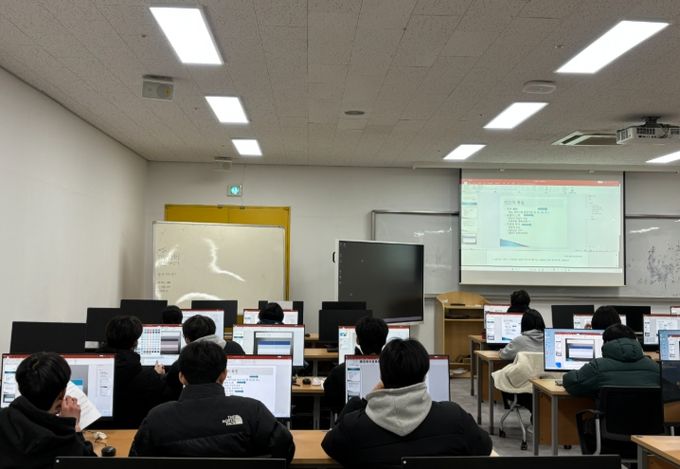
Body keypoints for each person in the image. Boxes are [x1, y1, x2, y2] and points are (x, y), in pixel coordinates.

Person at [322, 339, 492, 467]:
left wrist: (365, 400)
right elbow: (484, 447)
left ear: (382, 377)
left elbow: (329, 444)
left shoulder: (354, 426)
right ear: (424, 375)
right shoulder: (454, 418)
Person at [129, 341, 295, 461]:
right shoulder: (252, 411)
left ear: (181, 377)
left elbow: (136, 461)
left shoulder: (157, 417)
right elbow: (285, 449)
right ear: (224, 375)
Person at [0, 353, 96, 468]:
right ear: (61, 394)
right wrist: (74, 426)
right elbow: (90, 462)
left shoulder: (3, 417)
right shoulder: (64, 443)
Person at [99, 315, 170, 428]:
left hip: (98, 428)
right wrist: (156, 376)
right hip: (132, 429)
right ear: (134, 342)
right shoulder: (145, 376)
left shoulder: (96, 365)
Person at [563, 324, 659, 397]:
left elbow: (572, 383)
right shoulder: (655, 368)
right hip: (649, 418)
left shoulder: (597, 367)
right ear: (635, 341)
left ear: (606, 343)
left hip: (609, 418)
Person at [164, 315, 245, 398]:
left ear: (187, 339)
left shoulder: (182, 363)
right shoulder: (235, 347)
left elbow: (170, 389)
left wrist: (159, 375)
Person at [324, 317, 389, 415]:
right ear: (384, 341)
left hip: (351, 421)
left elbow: (332, 404)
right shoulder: (394, 370)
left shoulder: (338, 372)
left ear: (357, 340)